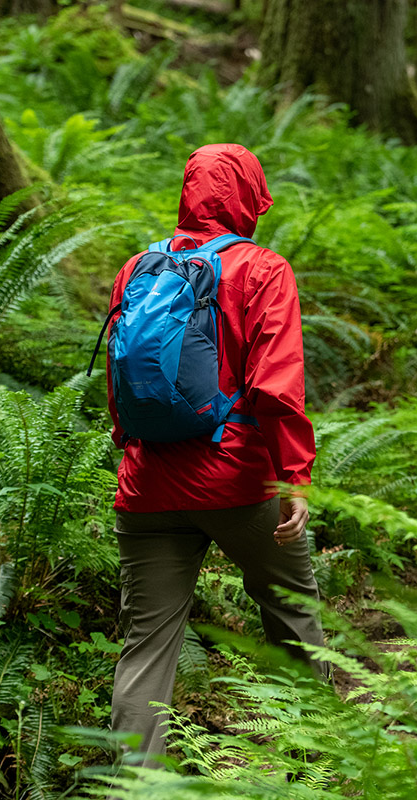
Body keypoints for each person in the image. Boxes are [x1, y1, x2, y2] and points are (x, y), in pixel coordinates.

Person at [104, 143, 329, 765]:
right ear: (250, 196)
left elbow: (118, 380)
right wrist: (296, 479)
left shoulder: (137, 268)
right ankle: (313, 761)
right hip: (236, 482)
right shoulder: (263, 270)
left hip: (147, 485)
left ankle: (132, 784)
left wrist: (135, 451)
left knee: (146, 646)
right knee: (293, 613)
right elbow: (276, 386)